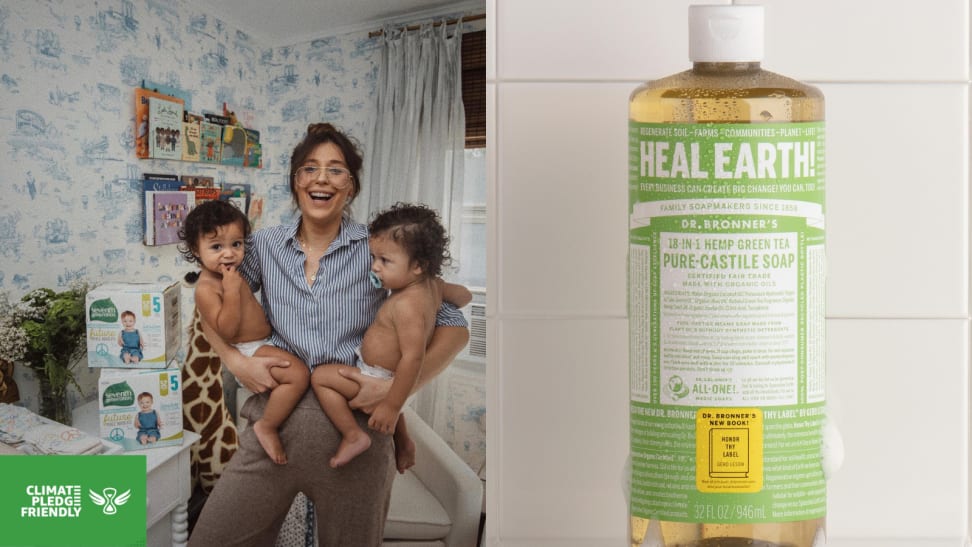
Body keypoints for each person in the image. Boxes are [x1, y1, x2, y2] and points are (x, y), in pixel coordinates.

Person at [188, 123, 469, 547]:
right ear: (296, 182)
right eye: (309, 168)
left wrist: (394, 389)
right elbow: (209, 294)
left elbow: (454, 324)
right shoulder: (263, 246)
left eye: (336, 170)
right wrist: (234, 360)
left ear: (351, 187)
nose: (321, 178)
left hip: (357, 437)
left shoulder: (378, 250)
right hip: (274, 428)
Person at [313, 202, 471, 470]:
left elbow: (412, 358)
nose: (375, 267)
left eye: (385, 261)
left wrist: (390, 405)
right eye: (374, 257)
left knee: (321, 377)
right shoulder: (432, 285)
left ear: (418, 265)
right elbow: (464, 296)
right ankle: (405, 442)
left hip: (379, 377)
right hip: (382, 373)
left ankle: (353, 435)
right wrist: (447, 292)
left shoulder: (407, 304)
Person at [179, 199, 310, 465]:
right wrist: (231, 291)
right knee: (298, 375)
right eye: (216, 247)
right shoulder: (207, 288)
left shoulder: (230, 273)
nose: (229, 254)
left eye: (236, 245)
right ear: (196, 248)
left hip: (266, 339)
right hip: (249, 348)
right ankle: (267, 425)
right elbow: (226, 330)